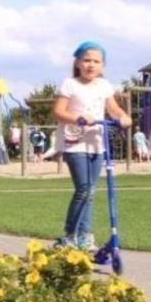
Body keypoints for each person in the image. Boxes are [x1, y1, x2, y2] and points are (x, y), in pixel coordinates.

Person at [52, 40, 132, 249]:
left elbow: (113, 109)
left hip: (97, 142)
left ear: (102, 65)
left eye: (96, 61)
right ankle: (71, 234)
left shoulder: (104, 86)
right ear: (78, 62)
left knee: (91, 191)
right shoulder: (70, 84)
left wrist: (123, 117)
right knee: (84, 189)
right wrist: (77, 117)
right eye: (86, 60)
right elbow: (58, 112)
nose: (91, 65)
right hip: (75, 142)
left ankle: (84, 235)